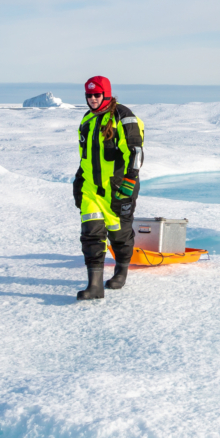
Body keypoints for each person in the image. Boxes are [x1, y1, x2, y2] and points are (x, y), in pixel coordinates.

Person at [72, 76, 146, 300]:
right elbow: (86, 156)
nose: (93, 99)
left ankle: (121, 271)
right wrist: (78, 179)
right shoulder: (87, 119)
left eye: (97, 95)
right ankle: (94, 286)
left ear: (106, 94)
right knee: (91, 234)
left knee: (119, 234)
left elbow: (135, 151)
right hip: (91, 189)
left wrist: (130, 181)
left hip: (117, 188)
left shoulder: (123, 116)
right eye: (89, 95)